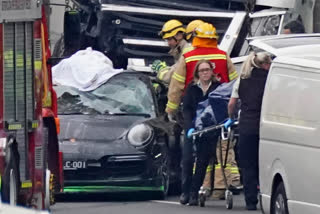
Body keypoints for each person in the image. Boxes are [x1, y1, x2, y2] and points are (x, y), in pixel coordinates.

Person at [228, 52, 271, 210]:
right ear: (266, 64)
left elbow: (232, 103)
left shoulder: (243, 79)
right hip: (264, 127)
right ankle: (266, 197)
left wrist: (231, 118)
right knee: (266, 164)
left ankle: (250, 202)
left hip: (246, 126)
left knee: (248, 165)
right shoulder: (270, 79)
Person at [182, 59, 220, 205]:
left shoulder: (217, 88)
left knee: (202, 162)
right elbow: (186, 110)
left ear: (212, 72)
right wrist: (189, 126)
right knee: (187, 160)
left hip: (209, 130)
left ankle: (193, 193)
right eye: (202, 70)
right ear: (197, 73)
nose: (205, 73)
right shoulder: (192, 89)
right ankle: (185, 191)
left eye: (207, 70)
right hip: (191, 130)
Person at [152, 19, 190, 84]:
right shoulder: (179, 51)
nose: (168, 43)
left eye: (170, 39)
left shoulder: (186, 52)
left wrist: (161, 70)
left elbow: (171, 76)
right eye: (167, 40)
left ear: (179, 35)